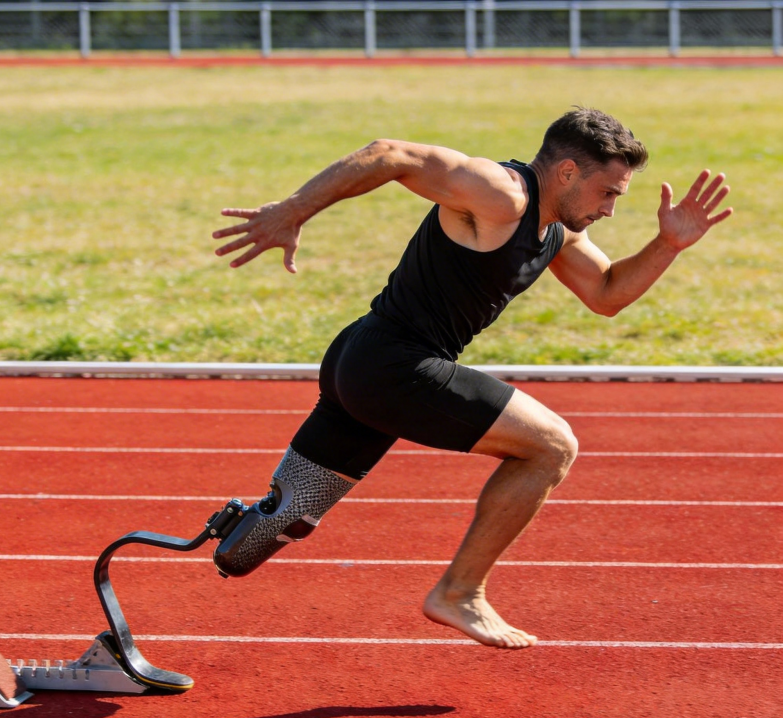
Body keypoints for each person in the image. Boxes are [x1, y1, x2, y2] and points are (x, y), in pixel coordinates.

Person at [210, 108, 732, 650]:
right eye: (607, 193)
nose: (610, 209)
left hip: (360, 362)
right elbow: (390, 153)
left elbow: (606, 294)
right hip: (395, 367)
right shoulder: (502, 195)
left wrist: (668, 244)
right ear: (567, 172)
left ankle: (176, 569)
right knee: (552, 447)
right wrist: (292, 210)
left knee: (271, 526)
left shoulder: (556, 231)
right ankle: (460, 592)